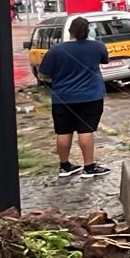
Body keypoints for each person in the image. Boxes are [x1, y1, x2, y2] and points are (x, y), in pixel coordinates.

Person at [37, 16, 112, 180]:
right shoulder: (97, 46)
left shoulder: (56, 50)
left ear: (70, 31)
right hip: (91, 96)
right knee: (86, 130)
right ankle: (89, 168)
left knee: (63, 131)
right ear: (88, 31)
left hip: (62, 98)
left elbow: (43, 74)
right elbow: (105, 60)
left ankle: (64, 166)